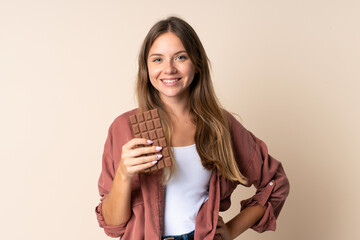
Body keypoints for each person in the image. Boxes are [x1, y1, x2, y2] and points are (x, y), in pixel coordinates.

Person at [95, 16, 289, 240]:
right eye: (157, 59)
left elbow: (275, 181)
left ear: (196, 64)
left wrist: (232, 229)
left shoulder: (219, 126)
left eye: (180, 57)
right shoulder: (124, 129)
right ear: (146, 69)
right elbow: (112, 225)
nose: (169, 69)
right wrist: (124, 173)